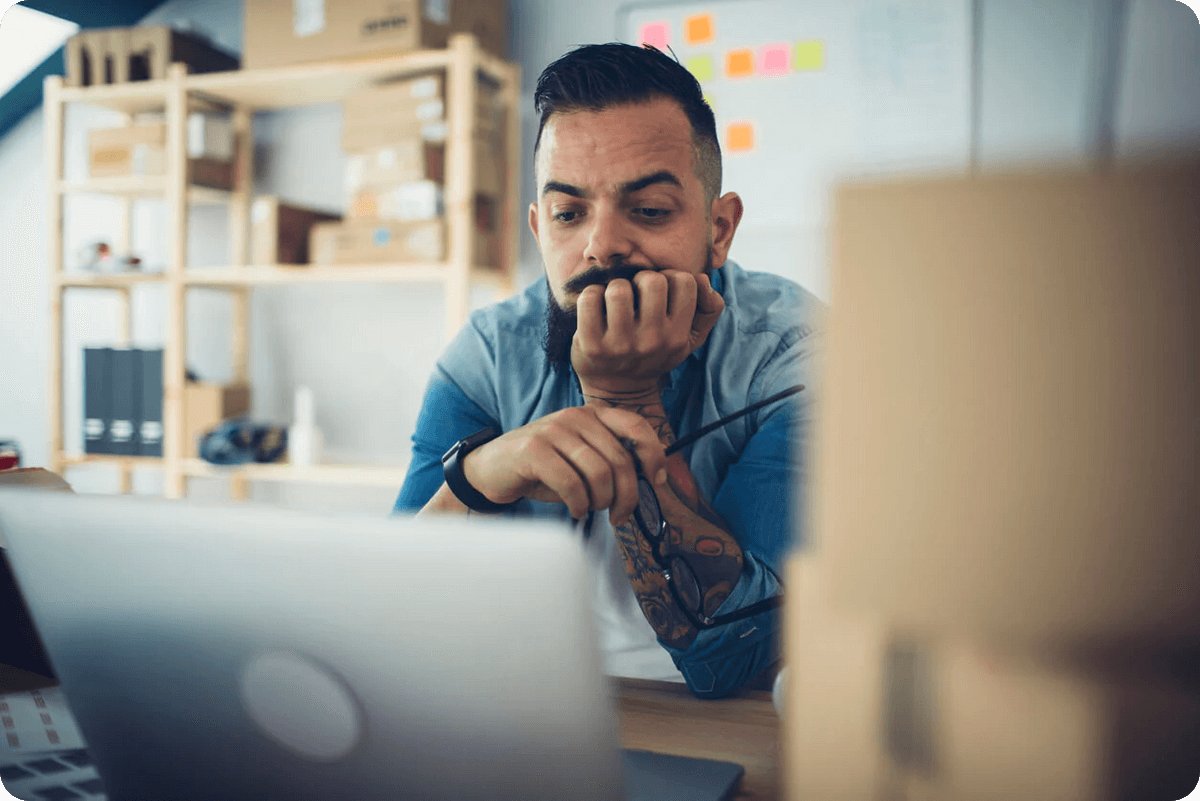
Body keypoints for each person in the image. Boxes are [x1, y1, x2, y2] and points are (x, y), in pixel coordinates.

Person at [394, 42, 825, 699]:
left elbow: (733, 656)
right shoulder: (486, 354)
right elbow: (392, 611)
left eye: (648, 210)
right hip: (524, 700)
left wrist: (624, 395)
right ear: (540, 231)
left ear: (719, 227)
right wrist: (480, 474)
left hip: (726, 717)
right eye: (569, 213)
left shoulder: (795, 355)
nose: (600, 244)